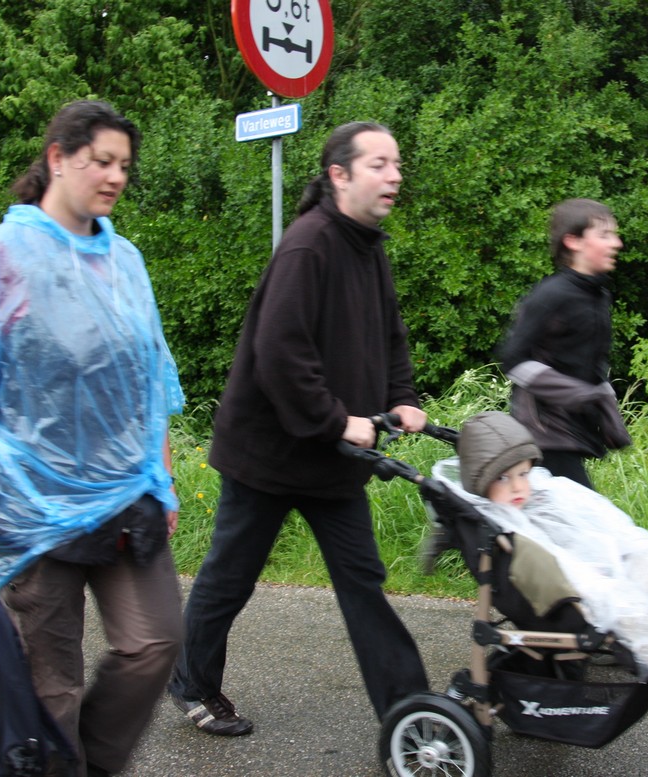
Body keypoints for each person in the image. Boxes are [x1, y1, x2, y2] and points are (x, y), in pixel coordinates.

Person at [0, 100, 185, 777]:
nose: (116, 176)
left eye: (125, 165)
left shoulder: (124, 261)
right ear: (59, 158)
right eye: (102, 161)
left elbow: (151, 379)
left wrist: (164, 476)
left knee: (155, 641)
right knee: (50, 685)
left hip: (127, 497)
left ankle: (87, 765)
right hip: (31, 507)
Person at [167, 121, 429, 736]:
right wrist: (338, 419)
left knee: (363, 583)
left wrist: (402, 398)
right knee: (230, 578)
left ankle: (410, 717)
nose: (394, 176)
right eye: (379, 164)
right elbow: (280, 351)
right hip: (268, 455)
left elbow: (390, 336)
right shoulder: (308, 245)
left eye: (396, 164)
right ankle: (191, 682)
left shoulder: (368, 249)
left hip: (333, 459)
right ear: (339, 175)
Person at [430, 411, 648, 689]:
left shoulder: (544, 497)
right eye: (503, 478)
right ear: (481, 485)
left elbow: (598, 531)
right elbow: (557, 570)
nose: (518, 487)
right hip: (573, 598)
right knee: (622, 601)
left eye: (523, 474)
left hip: (602, 571)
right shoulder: (497, 523)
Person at [496, 198, 632, 490]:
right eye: (605, 235)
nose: (616, 243)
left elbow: (590, 368)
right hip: (543, 435)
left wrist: (608, 415)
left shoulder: (597, 295)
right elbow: (514, 359)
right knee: (587, 515)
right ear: (573, 241)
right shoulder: (551, 295)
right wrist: (580, 394)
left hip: (571, 435)